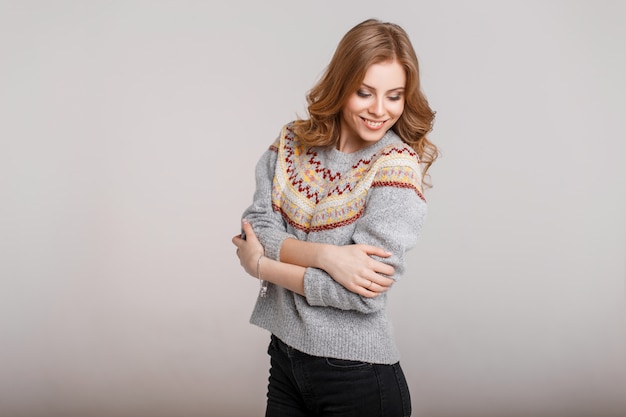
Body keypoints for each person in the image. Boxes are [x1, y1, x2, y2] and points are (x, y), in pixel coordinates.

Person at [231, 17, 438, 417]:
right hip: (286, 358)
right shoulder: (292, 141)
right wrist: (326, 257)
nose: (380, 110)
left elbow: (359, 293)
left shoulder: (396, 166)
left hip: (358, 378)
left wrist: (262, 265)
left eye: (394, 96)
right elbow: (256, 223)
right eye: (365, 92)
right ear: (342, 84)